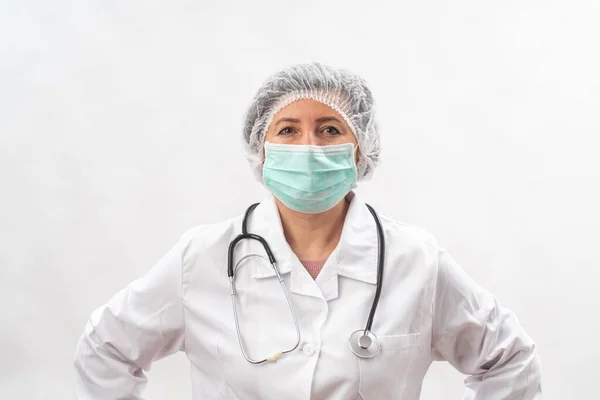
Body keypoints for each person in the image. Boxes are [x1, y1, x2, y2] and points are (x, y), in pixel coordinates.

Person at [74, 62, 542, 399]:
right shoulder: (202, 257)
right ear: (261, 146)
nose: (309, 146)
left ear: (361, 150)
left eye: (331, 129)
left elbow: (508, 360)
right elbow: (106, 348)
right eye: (288, 130)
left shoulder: (414, 259)